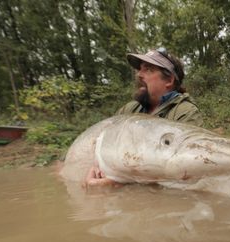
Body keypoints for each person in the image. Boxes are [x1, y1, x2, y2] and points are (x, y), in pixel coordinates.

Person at [85, 48, 202, 187]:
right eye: (140, 69)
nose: (139, 75)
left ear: (169, 80)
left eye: (148, 70)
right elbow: (99, 143)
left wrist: (121, 182)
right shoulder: (128, 110)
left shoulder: (185, 112)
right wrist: (94, 167)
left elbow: (188, 172)